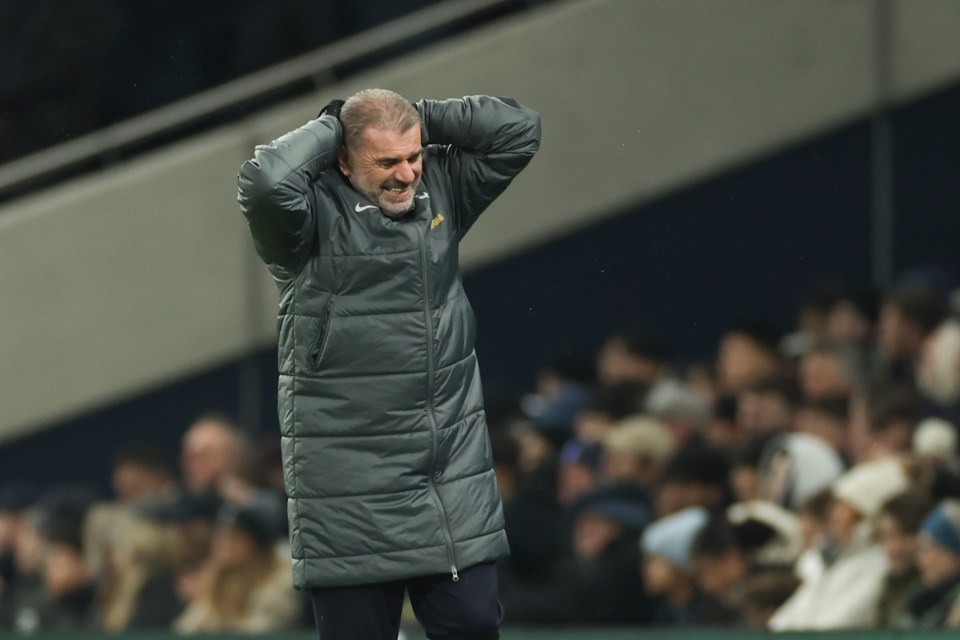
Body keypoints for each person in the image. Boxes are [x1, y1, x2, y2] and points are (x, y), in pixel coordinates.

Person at [237, 89, 540, 640]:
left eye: (414, 156)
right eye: (387, 161)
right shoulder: (303, 220)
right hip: (348, 487)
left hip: (446, 474)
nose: (406, 175)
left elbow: (518, 128)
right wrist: (336, 124)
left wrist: (414, 115)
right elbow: (263, 181)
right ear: (345, 161)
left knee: (473, 626)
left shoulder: (440, 186)